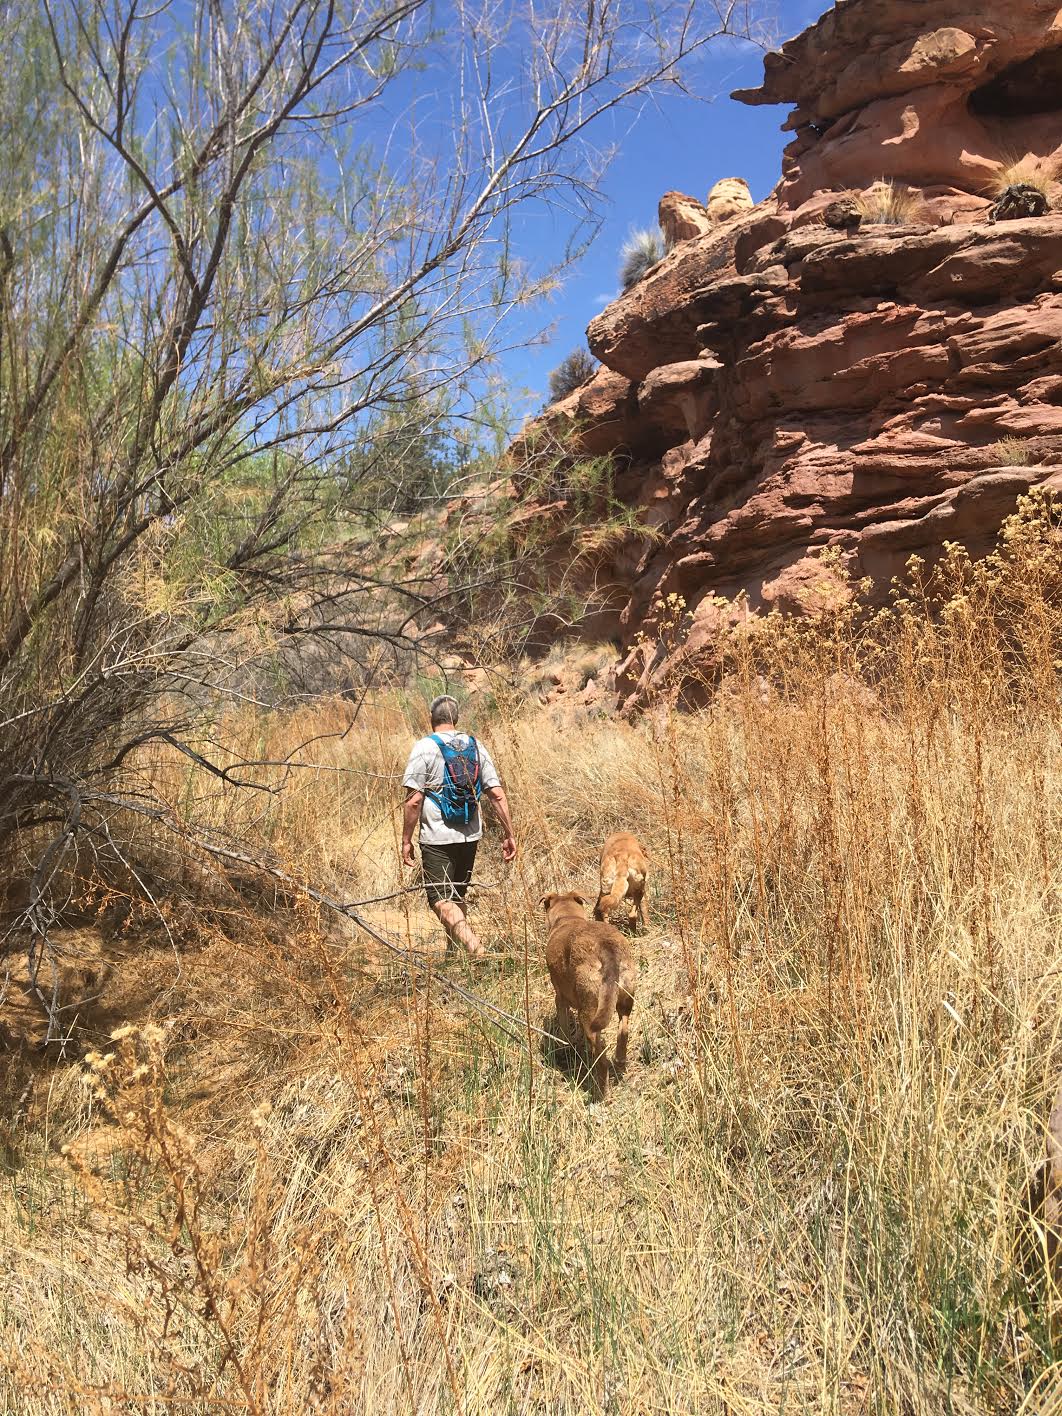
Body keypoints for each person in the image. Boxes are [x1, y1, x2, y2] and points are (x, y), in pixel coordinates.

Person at [401, 695, 517, 958]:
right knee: (457, 896)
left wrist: (406, 840)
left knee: (440, 900)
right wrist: (509, 834)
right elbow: (497, 794)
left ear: (432, 719)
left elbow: (414, 800)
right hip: (469, 834)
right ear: (457, 718)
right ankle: (455, 958)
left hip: (436, 837)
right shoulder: (476, 746)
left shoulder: (425, 747)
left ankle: (476, 949)